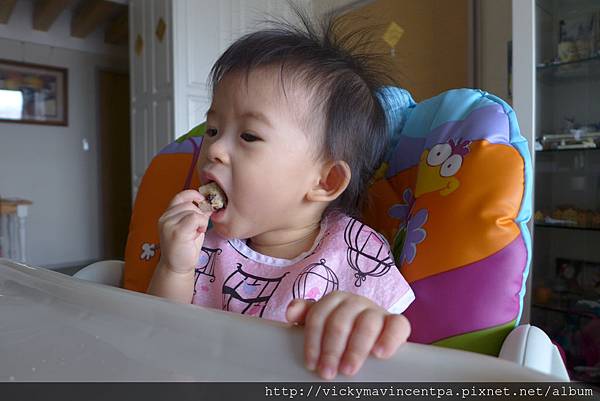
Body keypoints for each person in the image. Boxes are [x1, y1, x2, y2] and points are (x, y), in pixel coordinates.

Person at [148, 10, 414, 380]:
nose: (214, 150)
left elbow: (388, 358)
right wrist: (174, 268)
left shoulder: (355, 252)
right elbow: (158, 340)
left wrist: (361, 321)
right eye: (212, 130)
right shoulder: (200, 245)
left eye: (249, 136)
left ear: (325, 181)